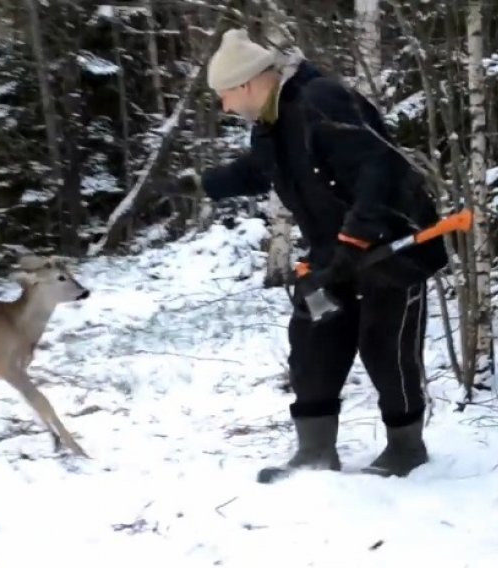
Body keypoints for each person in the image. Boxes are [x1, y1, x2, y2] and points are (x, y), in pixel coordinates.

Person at [154, 29, 448, 483]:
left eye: (225, 96)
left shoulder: (321, 100)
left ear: (247, 84)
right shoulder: (271, 126)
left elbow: (379, 168)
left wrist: (356, 238)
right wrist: (203, 185)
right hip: (334, 255)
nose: (225, 108)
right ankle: (315, 452)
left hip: (391, 247)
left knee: (385, 348)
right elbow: (259, 171)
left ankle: (406, 449)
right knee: (313, 341)